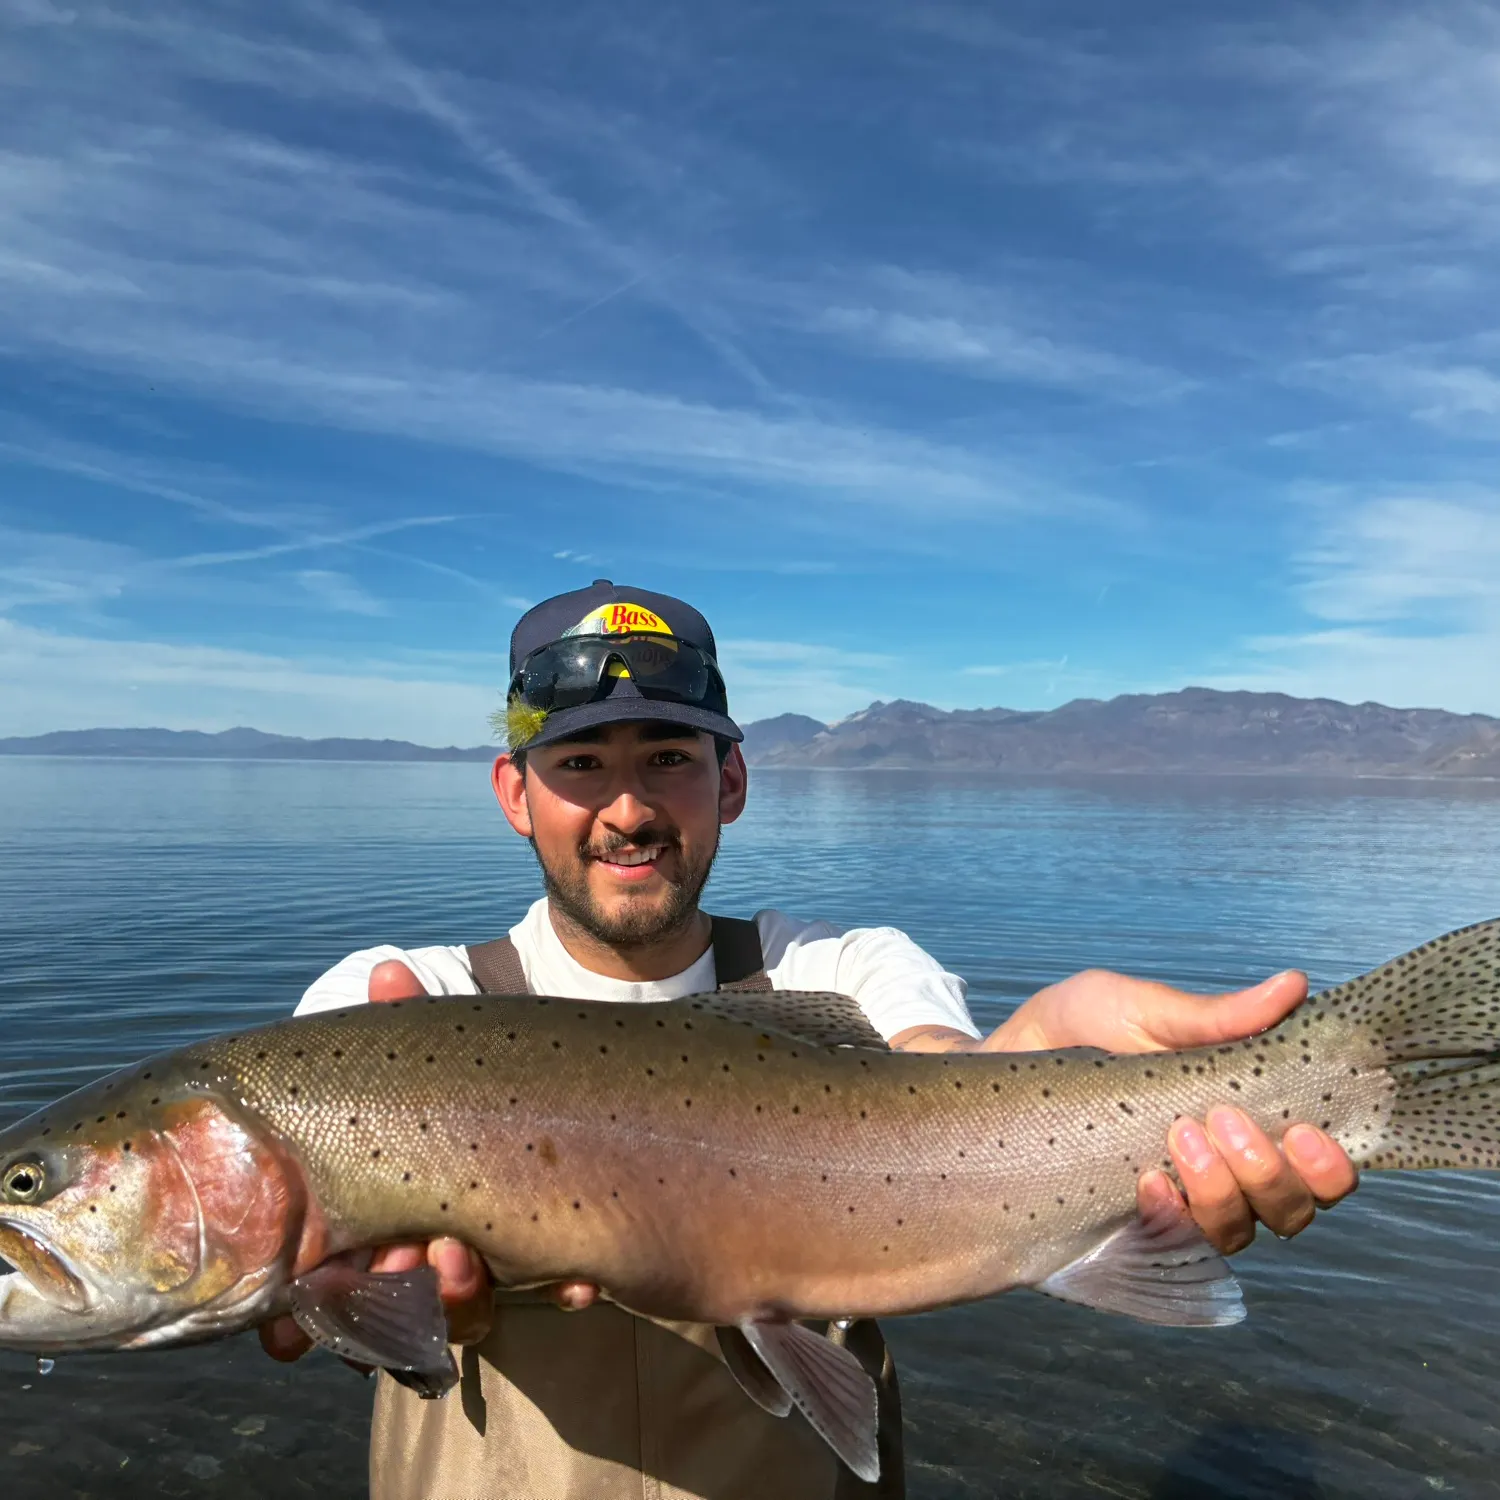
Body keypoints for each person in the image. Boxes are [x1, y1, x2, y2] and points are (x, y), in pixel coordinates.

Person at [261, 580, 1358, 1500]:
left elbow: (948, 1085)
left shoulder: (844, 970)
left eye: (670, 760)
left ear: (731, 782)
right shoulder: (389, 1017)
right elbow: (277, 1267)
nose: (629, 807)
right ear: (516, 793)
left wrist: (1045, 1050)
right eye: (583, 765)